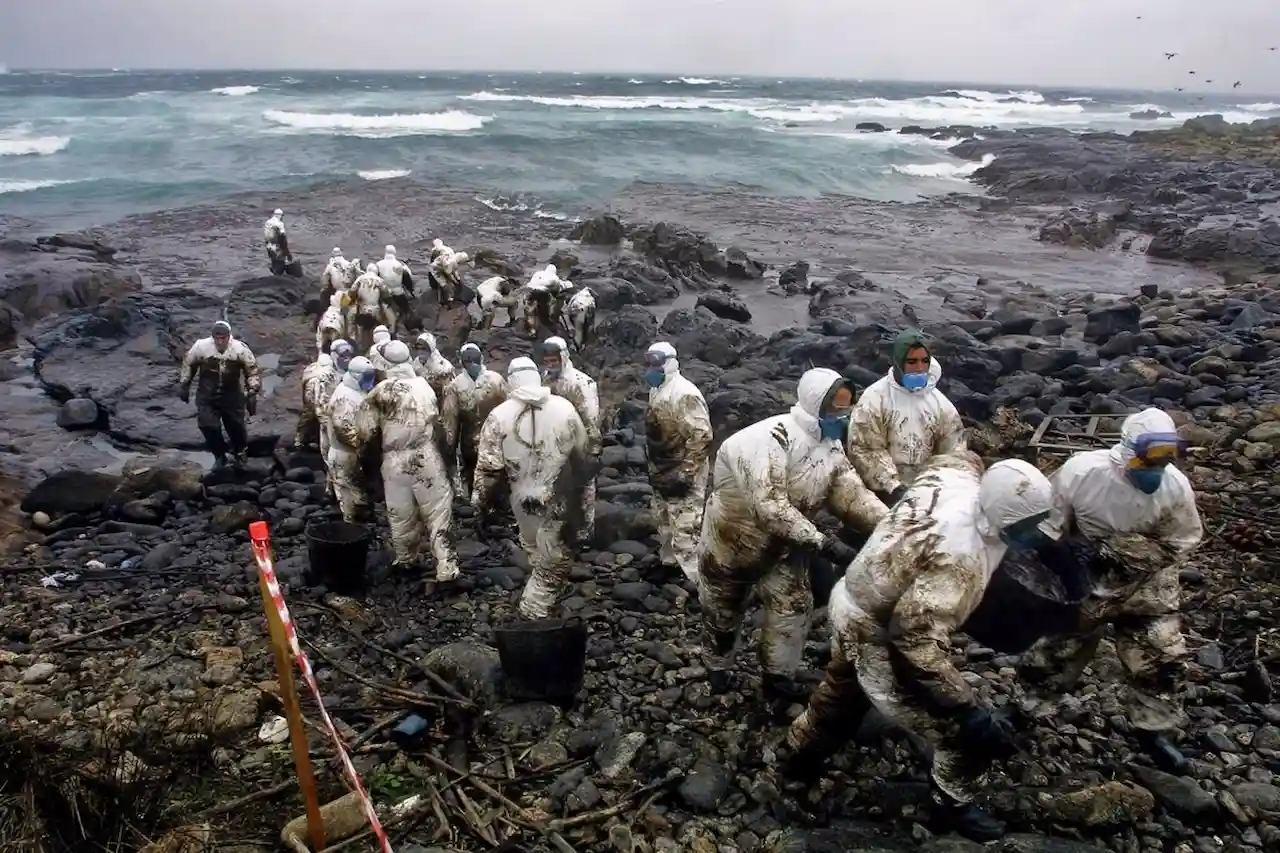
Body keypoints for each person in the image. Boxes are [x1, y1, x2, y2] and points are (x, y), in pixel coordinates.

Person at [782, 452, 1053, 842]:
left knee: (841, 690)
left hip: (853, 596)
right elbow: (912, 638)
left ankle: (797, 758)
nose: (1033, 533)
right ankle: (952, 803)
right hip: (875, 630)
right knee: (955, 732)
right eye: (1028, 525)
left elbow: (960, 457)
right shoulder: (961, 555)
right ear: (1004, 517)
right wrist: (966, 708)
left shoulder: (953, 481)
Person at [1028, 407, 1203, 772]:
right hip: (1085, 577)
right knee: (1056, 649)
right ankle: (1028, 708)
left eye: (1166, 458)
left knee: (1161, 656)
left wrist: (1129, 554)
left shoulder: (1174, 486)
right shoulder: (1082, 473)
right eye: (1151, 458)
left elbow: (1183, 539)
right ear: (1128, 451)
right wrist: (1067, 554)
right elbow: (1048, 525)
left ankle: (1154, 730)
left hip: (1146, 582)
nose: (1159, 467)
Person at [698, 368, 887, 701]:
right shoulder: (767, 440)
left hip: (784, 549)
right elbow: (769, 507)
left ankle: (777, 676)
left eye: (847, 408)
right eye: (836, 409)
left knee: (794, 606)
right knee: (723, 610)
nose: (844, 417)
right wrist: (826, 545)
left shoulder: (828, 445)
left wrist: (891, 524)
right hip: (732, 544)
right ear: (816, 404)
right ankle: (717, 666)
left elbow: (850, 493)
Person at [472, 357, 590, 619]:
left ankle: (537, 604)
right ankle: (537, 609)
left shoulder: (499, 415)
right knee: (555, 550)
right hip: (558, 493)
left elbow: (488, 468)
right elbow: (584, 455)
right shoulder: (564, 408)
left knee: (533, 545)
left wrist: (481, 504)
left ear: (511, 380)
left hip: (521, 497)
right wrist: (586, 505)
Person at [359, 340, 460, 585]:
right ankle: (446, 566)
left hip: (394, 460)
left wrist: (367, 463)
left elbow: (365, 432)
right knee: (438, 511)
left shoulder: (380, 392)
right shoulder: (424, 386)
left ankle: (406, 559)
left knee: (400, 512)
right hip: (425, 454)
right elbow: (437, 423)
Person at [847, 328, 965, 506]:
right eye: (912, 361)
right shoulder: (874, 399)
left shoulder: (941, 404)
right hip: (884, 492)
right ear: (898, 362)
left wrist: (939, 486)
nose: (919, 368)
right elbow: (865, 450)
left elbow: (955, 450)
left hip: (927, 490)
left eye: (924, 361)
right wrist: (894, 486)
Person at [643, 342, 712, 583]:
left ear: (670, 363)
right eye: (649, 362)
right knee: (663, 519)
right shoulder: (657, 389)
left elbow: (702, 435)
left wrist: (686, 472)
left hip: (683, 469)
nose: (652, 368)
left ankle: (698, 581)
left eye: (657, 363)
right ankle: (670, 564)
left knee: (686, 528)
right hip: (662, 467)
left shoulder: (684, 393)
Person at [539, 336, 601, 540]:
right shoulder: (545, 380)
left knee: (583, 488)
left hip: (578, 444)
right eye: (547, 361)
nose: (550, 365)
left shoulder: (581, 383)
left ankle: (585, 531)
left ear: (563, 357)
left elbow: (591, 418)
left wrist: (592, 450)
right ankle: (561, 526)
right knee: (556, 486)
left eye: (554, 361)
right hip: (553, 444)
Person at [178, 320, 261, 470]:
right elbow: (189, 364)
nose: (220, 341)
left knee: (236, 427)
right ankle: (219, 455)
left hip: (232, 395)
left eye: (223, 337)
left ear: (229, 336)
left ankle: (240, 452)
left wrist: (253, 390)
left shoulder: (240, 350)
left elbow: (252, 371)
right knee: (208, 425)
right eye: (217, 337)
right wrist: (185, 384)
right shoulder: (201, 347)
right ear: (213, 336)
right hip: (207, 394)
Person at [440, 343, 509, 501]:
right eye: (468, 363)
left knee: (496, 471)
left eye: (474, 363)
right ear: (463, 364)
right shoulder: (456, 385)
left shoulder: (495, 380)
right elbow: (450, 416)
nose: (472, 366)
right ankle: (476, 505)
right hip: (469, 438)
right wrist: (450, 444)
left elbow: (508, 406)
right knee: (472, 471)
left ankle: (497, 504)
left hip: (495, 435)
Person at [326, 356, 376, 523]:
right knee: (348, 497)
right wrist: (365, 445)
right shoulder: (345, 398)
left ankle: (361, 522)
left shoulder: (358, 392)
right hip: (344, 453)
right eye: (366, 377)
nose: (369, 380)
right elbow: (344, 429)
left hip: (354, 453)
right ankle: (350, 529)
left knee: (357, 491)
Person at [306, 341, 354, 488]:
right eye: (342, 355)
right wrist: (330, 425)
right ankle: (331, 487)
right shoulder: (326, 377)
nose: (346, 359)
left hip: (348, 424)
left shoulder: (353, 373)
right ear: (334, 355)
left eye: (349, 355)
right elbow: (320, 405)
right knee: (329, 455)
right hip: (330, 425)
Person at [294, 341, 348, 452]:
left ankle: (299, 439)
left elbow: (303, 385)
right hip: (321, 397)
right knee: (325, 421)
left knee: (306, 417)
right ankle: (328, 446)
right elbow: (331, 389)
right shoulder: (329, 372)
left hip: (309, 396)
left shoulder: (310, 369)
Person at [374, 245, 417, 333]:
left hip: (384, 294)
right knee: (406, 310)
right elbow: (408, 278)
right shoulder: (400, 265)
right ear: (394, 252)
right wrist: (411, 291)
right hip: (398, 293)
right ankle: (408, 326)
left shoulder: (378, 264)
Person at [350, 262, 388, 351]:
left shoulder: (360, 279)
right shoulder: (379, 280)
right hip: (375, 309)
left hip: (363, 308)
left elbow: (352, 291)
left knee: (362, 329)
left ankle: (362, 347)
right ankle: (374, 347)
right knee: (375, 328)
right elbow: (386, 294)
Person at [414, 332, 458, 402]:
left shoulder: (444, 367)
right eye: (418, 349)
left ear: (431, 349)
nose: (420, 352)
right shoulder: (416, 362)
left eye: (424, 349)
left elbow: (449, 391)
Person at [429, 240, 471, 305]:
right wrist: (456, 281)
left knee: (454, 281)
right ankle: (445, 301)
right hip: (436, 270)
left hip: (443, 265)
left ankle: (453, 296)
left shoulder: (453, 254)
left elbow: (454, 270)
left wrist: (458, 279)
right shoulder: (448, 262)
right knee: (445, 286)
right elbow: (449, 274)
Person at [316, 289, 352, 355]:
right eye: (346, 306)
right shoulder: (333, 317)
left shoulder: (335, 311)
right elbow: (327, 340)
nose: (347, 308)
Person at [563, 286, 596, 352]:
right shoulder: (585, 293)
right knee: (589, 326)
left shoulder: (572, 300)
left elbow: (565, 314)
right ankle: (586, 343)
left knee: (578, 329)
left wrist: (570, 326)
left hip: (579, 308)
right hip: (591, 305)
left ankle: (578, 347)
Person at [263, 208, 292, 276]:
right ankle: (279, 278)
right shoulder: (279, 224)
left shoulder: (267, 222)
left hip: (269, 246)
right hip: (277, 247)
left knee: (274, 262)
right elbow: (282, 237)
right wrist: (286, 251)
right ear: (280, 216)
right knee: (280, 263)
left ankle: (275, 274)